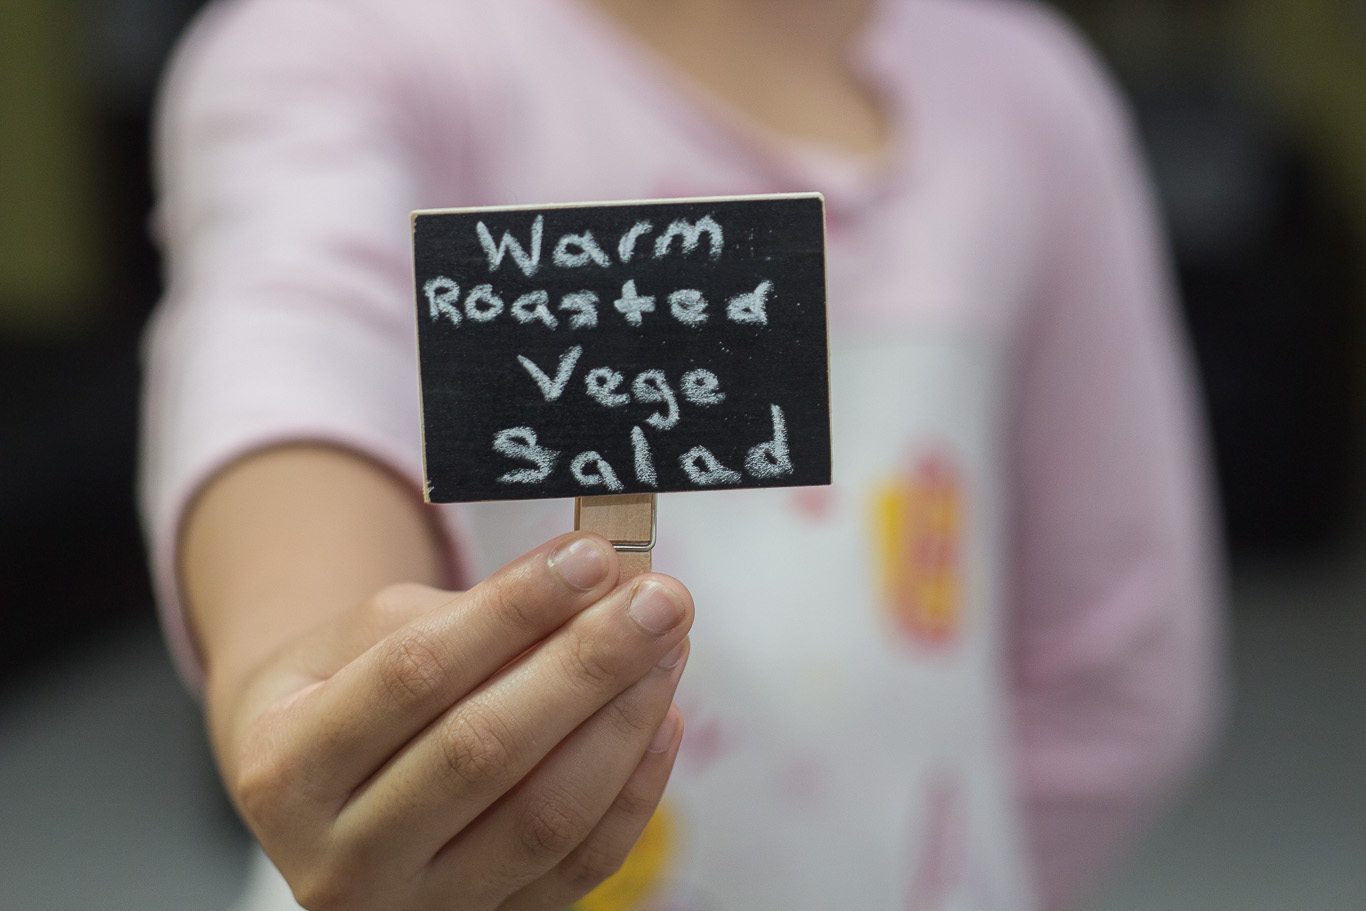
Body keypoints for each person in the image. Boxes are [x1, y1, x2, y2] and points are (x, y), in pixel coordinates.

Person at [140, 0, 1223, 908]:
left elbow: (1116, 669)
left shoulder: (1026, 100)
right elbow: (289, 354)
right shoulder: (339, 47)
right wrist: (303, 674)